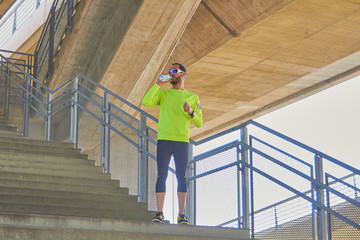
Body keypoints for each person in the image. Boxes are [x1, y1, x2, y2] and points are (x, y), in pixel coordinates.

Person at [142, 63, 203, 224]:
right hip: (164, 140)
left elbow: (199, 122)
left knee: (182, 177)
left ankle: (181, 215)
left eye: (175, 71)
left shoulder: (192, 97)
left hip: (181, 141)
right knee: (161, 175)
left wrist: (190, 112)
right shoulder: (163, 94)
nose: (171, 74)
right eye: (170, 71)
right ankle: (159, 213)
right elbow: (146, 101)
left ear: (183, 75)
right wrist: (158, 84)